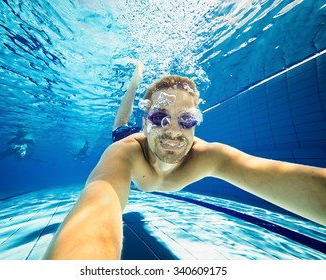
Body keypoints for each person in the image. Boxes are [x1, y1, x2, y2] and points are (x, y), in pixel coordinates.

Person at [44, 61, 326, 260]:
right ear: (146, 122)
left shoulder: (210, 156)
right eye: (159, 117)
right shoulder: (124, 152)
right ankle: (136, 79)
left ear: (196, 122)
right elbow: (98, 201)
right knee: (119, 123)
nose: (174, 131)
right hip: (128, 136)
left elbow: (282, 177)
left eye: (187, 119)